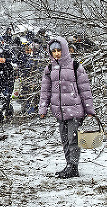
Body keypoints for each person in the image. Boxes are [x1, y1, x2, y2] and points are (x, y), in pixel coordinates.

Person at [38, 37, 96, 178]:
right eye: (54, 51)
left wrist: (89, 109)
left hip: (75, 110)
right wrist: (43, 108)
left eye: (59, 50)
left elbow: (84, 89)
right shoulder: (49, 69)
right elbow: (45, 91)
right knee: (64, 139)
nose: (57, 53)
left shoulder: (75, 66)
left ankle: (73, 166)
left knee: (73, 139)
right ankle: (68, 164)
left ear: (64, 50)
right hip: (59, 111)